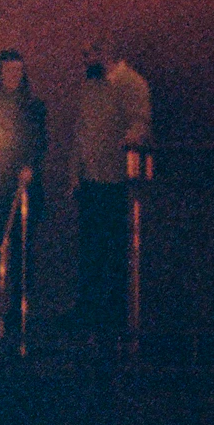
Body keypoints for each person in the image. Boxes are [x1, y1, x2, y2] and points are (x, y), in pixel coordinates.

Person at [0, 49, 47, 311]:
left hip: (21, 182)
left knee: (22, 246)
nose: (13, 76)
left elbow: (40, 143)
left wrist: (31, 167)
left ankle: (18, 304)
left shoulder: (34, 107)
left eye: (18, 71)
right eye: (8, 71)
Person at [70, 57, 130, 338]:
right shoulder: (86, 94)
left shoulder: (122, 93)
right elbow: (80, 137)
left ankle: (114, 309)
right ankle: (89, 307)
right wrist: (75, 174)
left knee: (113, 247)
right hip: (92, 180)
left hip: (114, 180)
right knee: (90, 248)